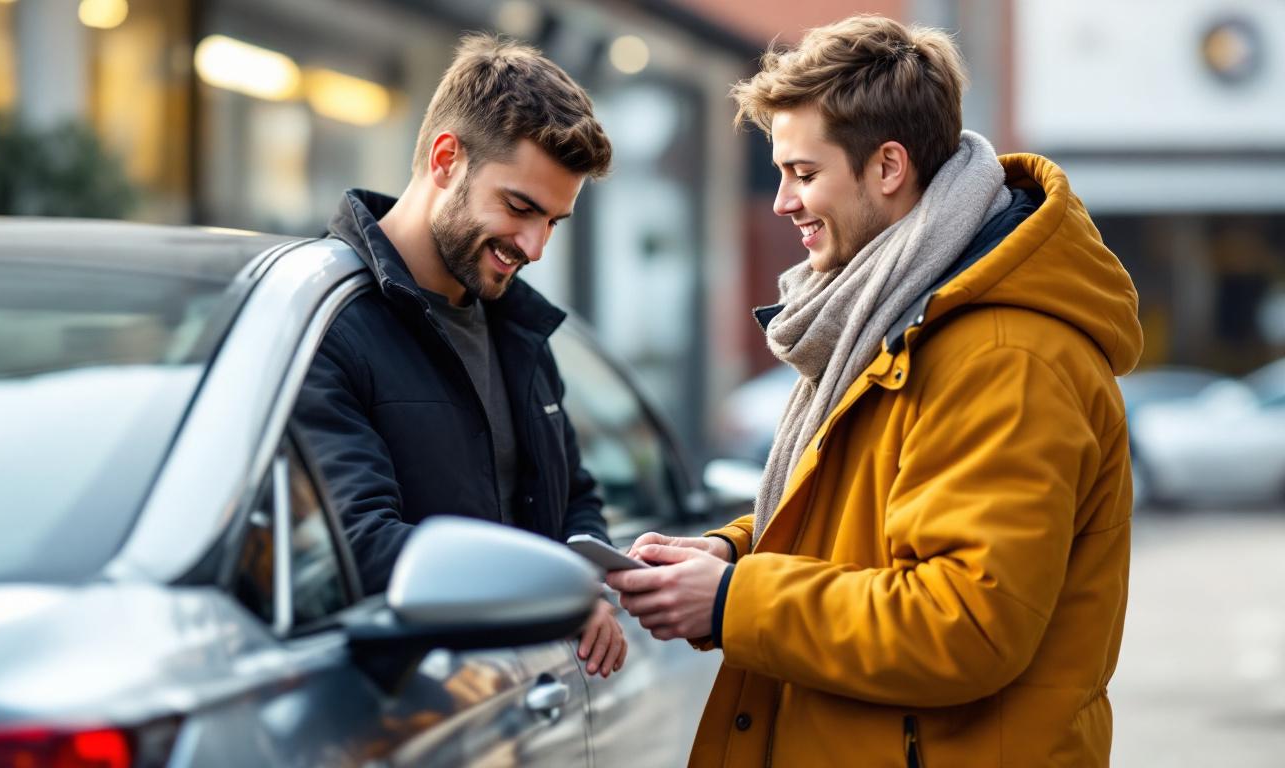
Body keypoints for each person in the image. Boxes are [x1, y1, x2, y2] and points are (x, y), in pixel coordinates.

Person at [606, 14, 1143, 764]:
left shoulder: (1003, 354)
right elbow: (861, 523)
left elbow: (965, 624)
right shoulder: (896, 310)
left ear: (888, 168)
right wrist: (731, 556)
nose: (782, 203)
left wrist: (733, 602)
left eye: (803, 173)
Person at [295, 34, 625, 677]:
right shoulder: (327, 325)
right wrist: (544, 597)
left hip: (519, 707)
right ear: (446, 159)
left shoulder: (519, 325)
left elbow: (574, 497)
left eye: (554, 221)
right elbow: (360, 547)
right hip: (413, 716)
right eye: (520, 207)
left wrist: (586, 582)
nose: (535, 247)